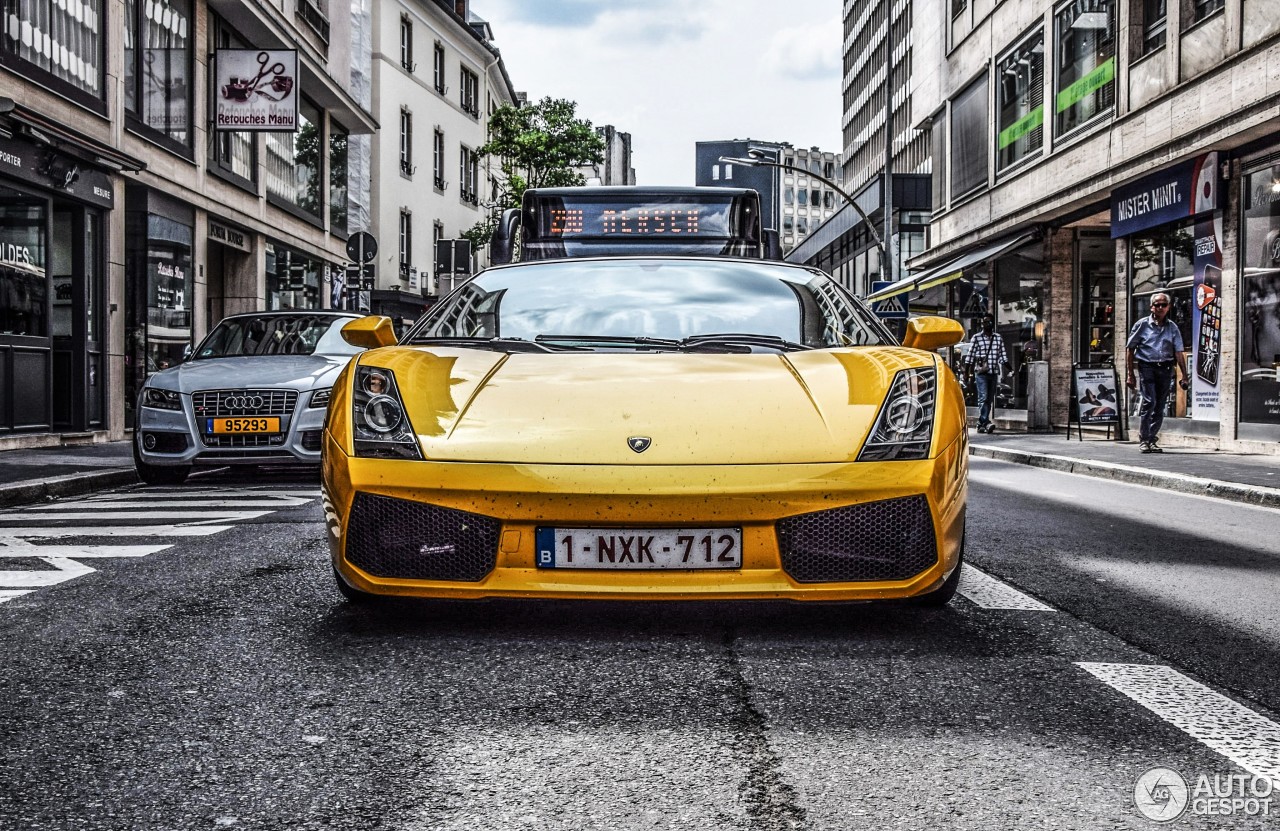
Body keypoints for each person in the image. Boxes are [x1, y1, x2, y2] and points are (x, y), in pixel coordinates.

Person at [1125, 292, 1190, 454]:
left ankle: (1151, 439)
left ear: (1168, 307)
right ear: (1151, 307)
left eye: (1163, 305)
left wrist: (1185, 376)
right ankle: (1144, 439)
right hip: (1147, 366)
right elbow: (1130, 348)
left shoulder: (1172, 327)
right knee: (1150, 401)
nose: (1160, 308)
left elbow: (1178, 352)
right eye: (1157, 305)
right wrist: (1130, 374)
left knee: (1160, 405)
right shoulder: (1142, 325)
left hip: (1165, 368)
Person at [964, 315, 1010, 434]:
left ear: (993, 323)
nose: (987, 324)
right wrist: (966, 372)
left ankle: (981, 424)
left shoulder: (998, 338)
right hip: (981, 373)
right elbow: (970, 356)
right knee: (983, 397)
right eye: (985, 322)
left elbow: (1003, 356)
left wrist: (1010, 369)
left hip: (993, 373)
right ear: (982, 324)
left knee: (989, 399)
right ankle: (986, 422)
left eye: (989, 322)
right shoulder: (976, 338)